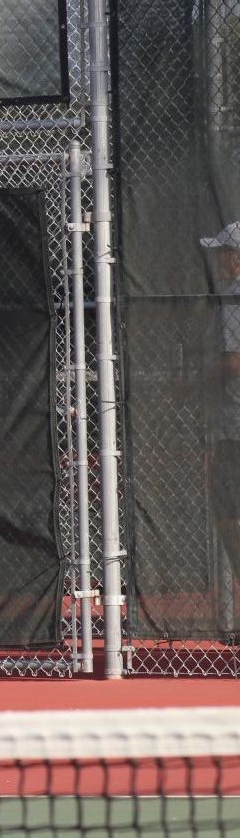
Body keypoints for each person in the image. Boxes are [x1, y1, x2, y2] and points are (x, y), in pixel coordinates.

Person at [200, 222, 240, 638]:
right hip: (229, 428)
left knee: (230, 517)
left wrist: (194, 379)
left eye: (226, 252)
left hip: (234, 430)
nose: (220, 260)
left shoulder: (233, 296)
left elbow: (234, 360)